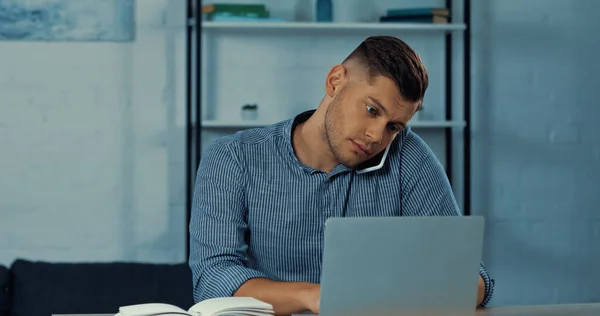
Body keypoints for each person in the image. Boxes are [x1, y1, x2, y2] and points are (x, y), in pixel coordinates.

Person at [189, 35, 494, 315]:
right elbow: (213, 280)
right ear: (335, 82)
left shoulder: (408, 156)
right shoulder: (233, 157)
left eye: (394, 126)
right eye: (372, 110)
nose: (376, 136)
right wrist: (316, 297)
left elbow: (474, 279)